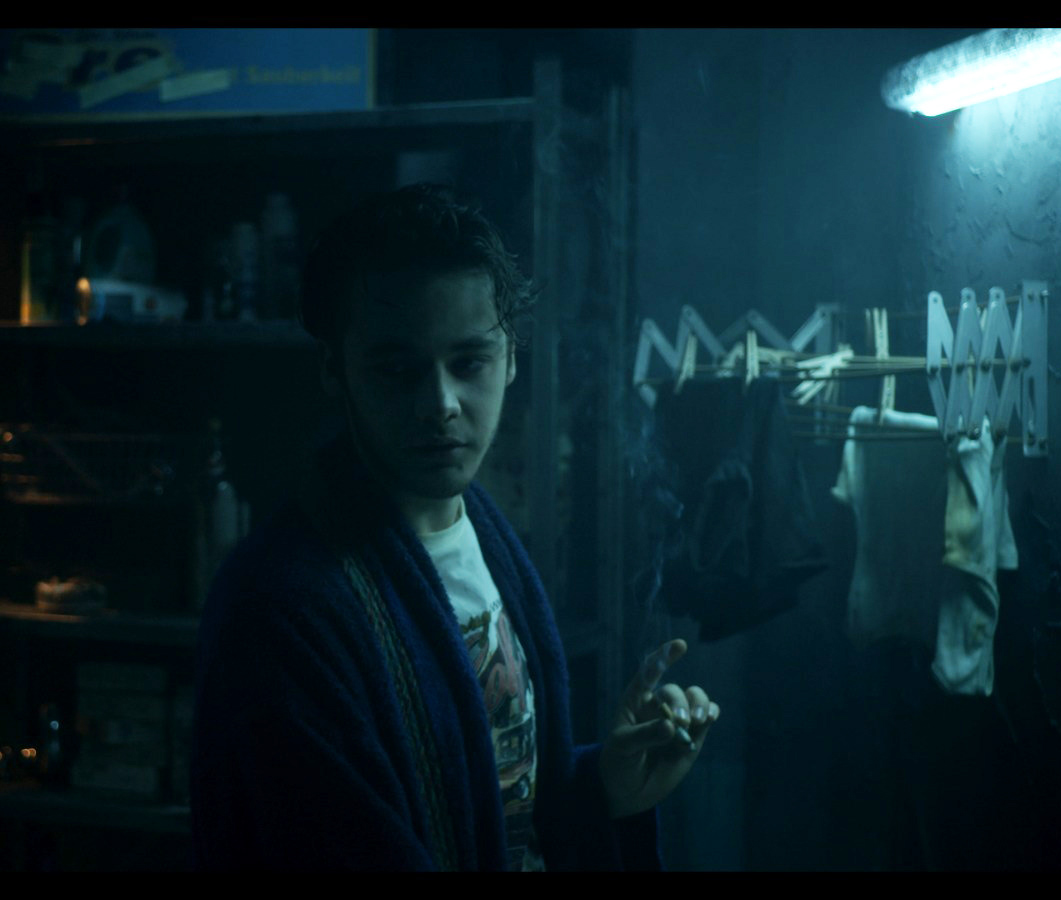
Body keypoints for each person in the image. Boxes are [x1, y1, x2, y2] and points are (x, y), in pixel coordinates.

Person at [190, 183, 718, 871]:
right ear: (334, 370)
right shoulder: (281, 608)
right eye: (397, 370)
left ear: (512, 358)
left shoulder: (484, 537)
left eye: (469, 362)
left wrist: (605, 787)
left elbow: (504, 808)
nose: (439, 404)